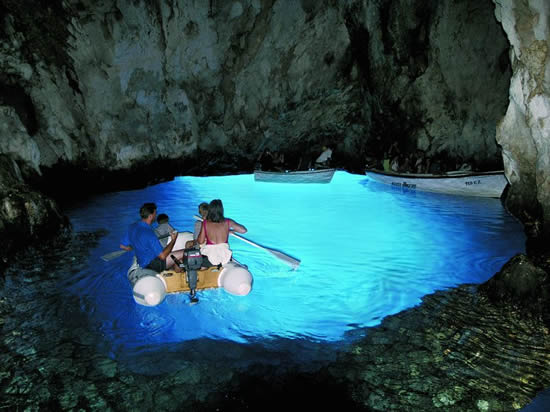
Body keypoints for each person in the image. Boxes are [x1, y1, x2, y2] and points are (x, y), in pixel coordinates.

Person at [120, 202, 185, 273]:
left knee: (179, 261)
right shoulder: (149, 233)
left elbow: (123, 246)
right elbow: (162, 256)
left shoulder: (132, 227)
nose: (156, 215)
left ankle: (177, 272)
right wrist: (173, 240)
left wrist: (132, 247)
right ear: (150, 216)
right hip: (153, 265)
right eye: (155, 213)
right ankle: (182, 271)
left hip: (141, 262)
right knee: (185, 252)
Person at [195, 199, 247, 267]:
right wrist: (228, 231)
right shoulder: (228, 222)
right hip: (224, 257)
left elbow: (200, 241)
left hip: (209, 257)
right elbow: (243, 230)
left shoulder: (205, 223)